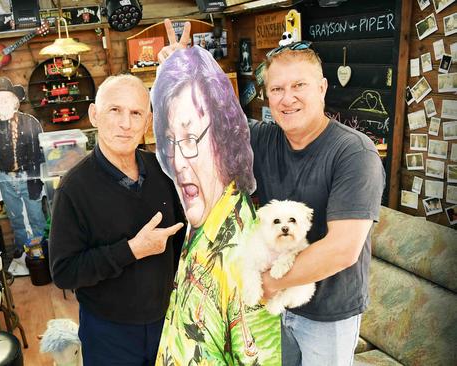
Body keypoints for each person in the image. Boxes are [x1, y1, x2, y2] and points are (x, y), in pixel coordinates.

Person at [159, 19, 385, 366]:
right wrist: (182, 69)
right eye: (276, 89)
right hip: (270, 310)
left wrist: (264, 283)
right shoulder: (263, 139)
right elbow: (218, 118)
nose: (287, 98)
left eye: (299, 85)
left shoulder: (354, 152)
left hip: (327, 314)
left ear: (322, 88)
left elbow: (343, 249)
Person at [152, 45, 281, 364]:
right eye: (170, 141)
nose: (179, 160)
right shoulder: (204, 223)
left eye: (191, 139)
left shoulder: (246, 258)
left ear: (225, 140)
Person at [49, 74, 186, 365]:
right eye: (115, 110)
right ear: (94, 115)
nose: (126, 124)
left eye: (136, 113)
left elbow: (183, 237)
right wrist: (132, 250)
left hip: (168, 319)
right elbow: (63, 272)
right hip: (109, 332)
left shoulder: (163, 170)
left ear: (147, 122)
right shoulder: (74, 188)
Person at [0, 77, 46, 269]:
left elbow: (39, 153)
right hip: (4, 177)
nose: (2, 103)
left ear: (15, 101)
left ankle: (42, 253)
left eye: (6, 98)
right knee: (15, 217)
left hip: (29, 176)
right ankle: (21, 251)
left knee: (36, 216)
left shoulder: (30, 123)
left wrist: (38, 180)